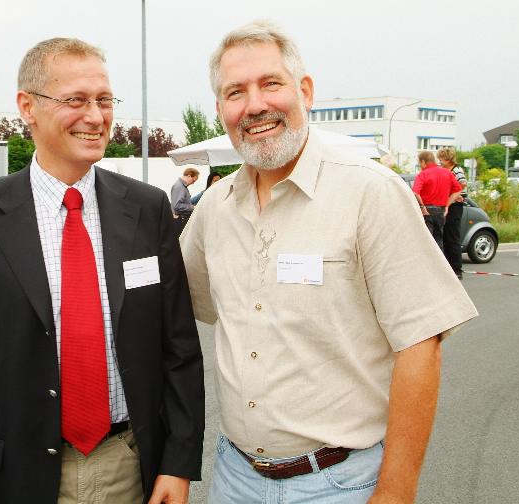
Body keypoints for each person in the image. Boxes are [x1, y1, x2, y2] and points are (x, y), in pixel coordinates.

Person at [180, 21, 478, 504]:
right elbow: (175, 306)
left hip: (340, 484)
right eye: (235, 92)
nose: (254, 105)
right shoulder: (215, 208)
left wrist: (396, 491)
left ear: (305, 91)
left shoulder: (370, 193)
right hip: (234, 477)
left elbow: (421, 345)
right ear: (221, 110)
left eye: (270, 83)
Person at [0, 37, 204, 504]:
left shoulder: (147, 210)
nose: (96, 116)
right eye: (76, 100)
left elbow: (179, 348)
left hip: (130, 468)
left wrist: (178, 463)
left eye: (104, 100)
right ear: (27, 107)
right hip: (12, 479)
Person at [412, 151, 462, 254]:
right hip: (441, 210)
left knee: (426, 241)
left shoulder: (423, 174)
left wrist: (422, 207)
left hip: (427, 210)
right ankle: (439, 263)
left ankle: (427, 263)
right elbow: (458, 190)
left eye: (419, 162)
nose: (420, 165)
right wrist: (447, 205)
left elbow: (415, 192)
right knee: (439, 240)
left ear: (423, 162)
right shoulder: (447, 172)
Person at [438, 147, 467, 278]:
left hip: (455, 205)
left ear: (448, 159)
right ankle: (448, 267)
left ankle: (457, 268)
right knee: (445, 236)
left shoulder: (456, 170)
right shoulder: (445, 170)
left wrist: (454, 194)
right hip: (447, 204)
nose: (440, 161)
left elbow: (463, 183)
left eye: (441, 159)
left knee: (452, 236)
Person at [170, 167, 199, 237]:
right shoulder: (179, 187)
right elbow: (177, 206)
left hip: (181, 220)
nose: (193, 183)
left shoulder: (181, 186)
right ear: (189, 176)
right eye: (193, 181)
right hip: (180, 221)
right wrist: (193, 207)